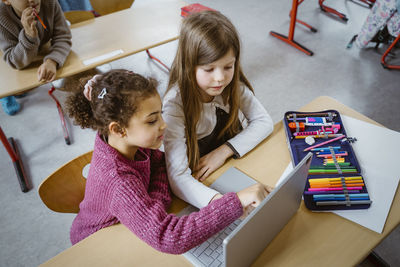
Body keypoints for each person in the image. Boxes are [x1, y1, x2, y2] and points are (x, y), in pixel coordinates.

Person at [66, 69, 271, 253]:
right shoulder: (118, 180)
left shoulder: (126, 143)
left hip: (131, 227)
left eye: (160, 115)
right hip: (101, 246)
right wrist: (235, 201)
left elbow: (159, 164)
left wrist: (154, 204)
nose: (164, 125)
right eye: (152, 120)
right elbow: (169, 237)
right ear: (118, 129)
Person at [162, 11, 274, 209]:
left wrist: (224, 151)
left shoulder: (233, 87)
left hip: (232, 165)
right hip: (201, 187)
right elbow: (178, 177)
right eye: (209, 69)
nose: (220, 78)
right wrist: (225, 206)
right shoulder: (174, 104)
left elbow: (264, 121)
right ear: (189, 65)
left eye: (228, 66)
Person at [0, 0, 72, 115]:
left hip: (38, 47)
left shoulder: (49, 3)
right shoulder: (1, 16)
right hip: (8, 55)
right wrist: (29, 35)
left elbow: (63, 37)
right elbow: (14, 61)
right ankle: (6, 95)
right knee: (10, 82)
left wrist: (52, 61)